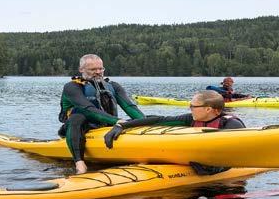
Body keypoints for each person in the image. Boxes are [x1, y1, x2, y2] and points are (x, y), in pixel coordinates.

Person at [103, 91, 245, 174]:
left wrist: (216, 169)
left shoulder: (231, 124)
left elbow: (237, 155)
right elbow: (158, 120)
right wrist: (121, 126)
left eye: (193, 106)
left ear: (208, 109)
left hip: (224, 171)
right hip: (201, 163)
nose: (190, 109)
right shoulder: (191, 118)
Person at [59, 54, 145, 174]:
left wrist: (145, 122)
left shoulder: (113, 86)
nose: (98, 72)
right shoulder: (72, 87)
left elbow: (129, 107)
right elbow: (88, 108)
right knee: (77, 117)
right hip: (79, 129)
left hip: (107, 127)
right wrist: (116, 121)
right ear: (81, 70)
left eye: (101, 69)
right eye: (93, 69)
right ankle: (79, 163)